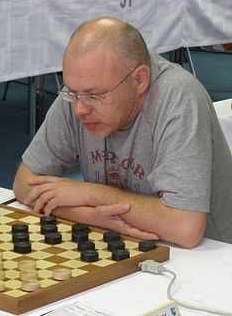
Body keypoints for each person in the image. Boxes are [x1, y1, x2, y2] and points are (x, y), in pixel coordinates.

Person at [13, 17, 232, 248]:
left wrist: (95, 195)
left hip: (209, 260)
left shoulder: (178, 97)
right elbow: (24, 183)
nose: (79, 109)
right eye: (71, 92)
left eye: (94, 96)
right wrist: (91, 217)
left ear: (140, 79)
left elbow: (184, 227)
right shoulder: (80, 92)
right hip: (125, 245)